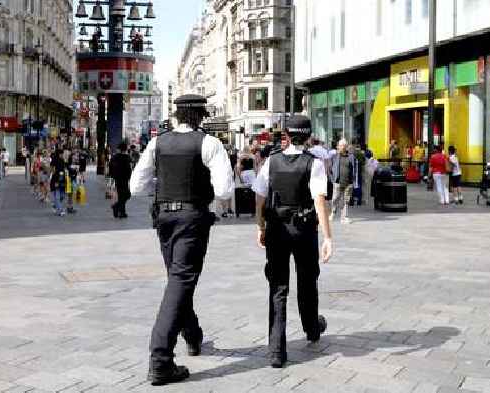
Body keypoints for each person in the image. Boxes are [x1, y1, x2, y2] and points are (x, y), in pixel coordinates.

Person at [129, 94, 234, 386]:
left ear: (176, 115)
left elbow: (136, 187)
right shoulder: (209, 143)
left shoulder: (157, 142)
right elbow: (225, 190)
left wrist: (162, 185)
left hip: (163, 219)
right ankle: (160, 358)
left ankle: (193, 334)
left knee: (178, 278)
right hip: (192, 219)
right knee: (181, 280)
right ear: (200, 116)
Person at [252, 114, 332, 369]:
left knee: (277, 287)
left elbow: (260, 197)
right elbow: (319, 200)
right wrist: (328, 236)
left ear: (286, 135)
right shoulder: (314, 163)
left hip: (276, 228)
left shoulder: (271, 161)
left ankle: (277, 350)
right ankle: (311, 327)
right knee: (307, 281)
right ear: (308, 136)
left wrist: (260, 225)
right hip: (304, 229)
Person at [330, 139, 359, 224]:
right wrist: (332, 179)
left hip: (348, 182)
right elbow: (330, 168)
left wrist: (354, 181)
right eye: (341, 145)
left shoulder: (351, 156)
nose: (343, 147)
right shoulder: (335, 156)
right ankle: (333, 212)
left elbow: (354, 169)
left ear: (346, 147)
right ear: (338, 146)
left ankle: (344, 217)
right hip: (338, 182)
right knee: (335, 199)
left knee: (346, 200)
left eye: (344, 145)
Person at [108, 142, 133, 218]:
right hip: (124, 179)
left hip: (117, 179)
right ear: (125, 149)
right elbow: (129, 169)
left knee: (122, 195)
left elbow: (110, 168)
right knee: (126, 195)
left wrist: (112, 177)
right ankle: (117, 208)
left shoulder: (114, 157)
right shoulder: (127, 158)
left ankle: (121, 211)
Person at [50, 148, 67, 216]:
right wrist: (53, 175)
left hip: (62, 179)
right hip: (56, 179)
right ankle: (60, 210)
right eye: (61, 154)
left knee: (62, 195)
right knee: (57, 195)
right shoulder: (54, 160)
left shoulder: (62, 160)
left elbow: (64, 169)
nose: (62, 155)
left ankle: (55, 204)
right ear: (59, 154)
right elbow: (51, 168)